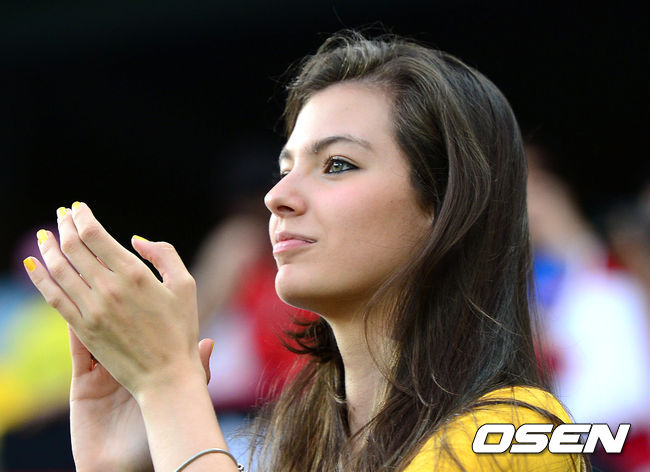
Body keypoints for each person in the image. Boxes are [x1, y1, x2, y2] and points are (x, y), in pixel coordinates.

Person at [22, 31, 586, 471]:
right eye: (285, 167)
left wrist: (169, 386)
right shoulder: (300, 442)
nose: (276, 197)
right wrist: (114, 465)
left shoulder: (517, 434)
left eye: (337, 164)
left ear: (447, 206)